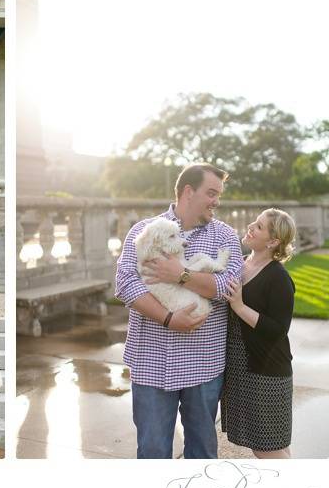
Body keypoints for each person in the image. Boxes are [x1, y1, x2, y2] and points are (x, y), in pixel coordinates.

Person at [115, 163, 244, 458]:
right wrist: (169, 319)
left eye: (218, 195)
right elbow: (125, 283)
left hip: (204, 366)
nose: (216, 201)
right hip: (151, 363)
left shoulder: (224, 236)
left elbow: (229, 286)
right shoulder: (144, 231)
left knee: (202, 453)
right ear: (188, 192)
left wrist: (181, 274)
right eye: (211, 193)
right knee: (152, 452)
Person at [221, 209, 296, 459]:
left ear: (273, 242)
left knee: (266, 446)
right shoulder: (239, 263)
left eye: (260, 227)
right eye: (255, 221)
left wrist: (240, 306)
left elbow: (277, 330)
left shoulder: (279, 278)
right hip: (242, 368)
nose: (251, 226)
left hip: (266, 371)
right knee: (272, 445)